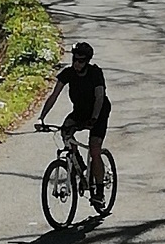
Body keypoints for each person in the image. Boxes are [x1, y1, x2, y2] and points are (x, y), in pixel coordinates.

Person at [37, 42, 111, 208]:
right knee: (65, 132)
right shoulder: (68, 73)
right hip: (80, 112)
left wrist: (94, 119)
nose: (77, 64)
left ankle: (99, 193)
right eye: (74, 60)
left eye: (81, 61)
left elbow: (99, 97)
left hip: (98, 112)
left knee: (94, 150)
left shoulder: (95, 73)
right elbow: (54, 95)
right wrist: (41, 118)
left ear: (87, 61)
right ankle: (80, 166)